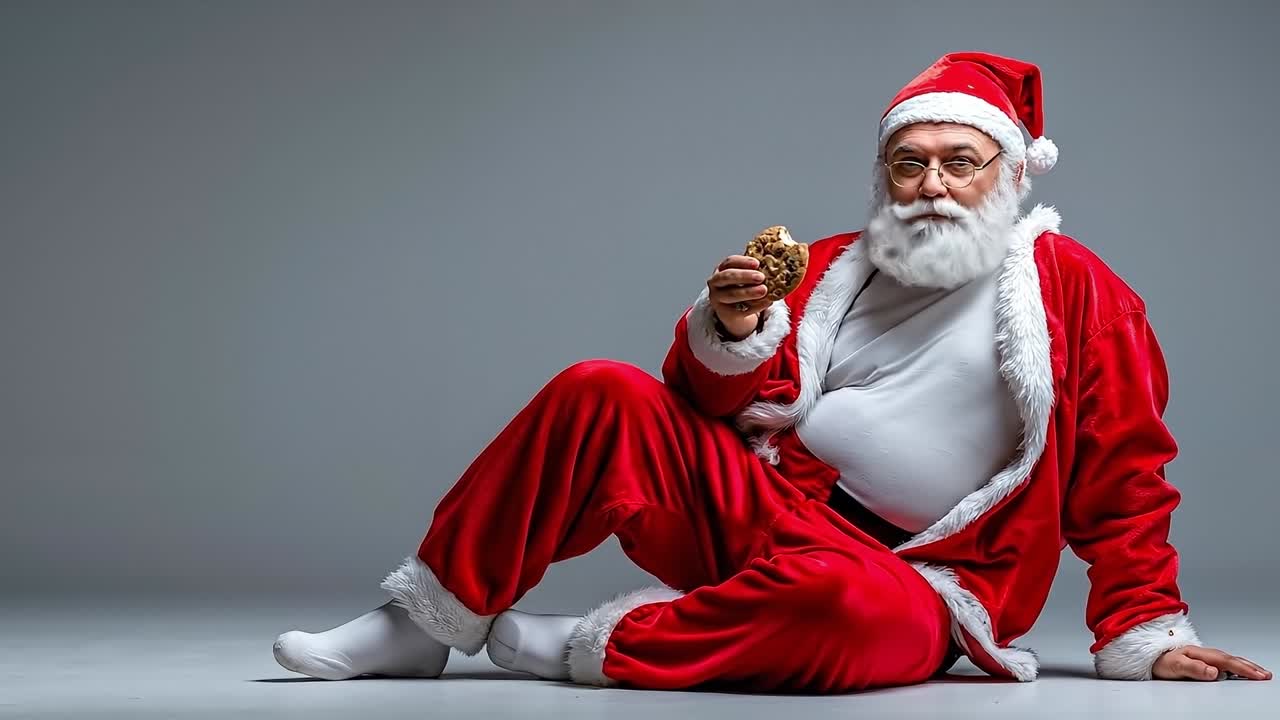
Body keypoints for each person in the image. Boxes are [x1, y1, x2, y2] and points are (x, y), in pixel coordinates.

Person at [271, 51, 1271, 691]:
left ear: (1009, 173)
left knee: (845, 613)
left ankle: (602, 646)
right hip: (761, 510)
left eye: (959, 162)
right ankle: (423, 620)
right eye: (909, 162)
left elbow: (1124, 472)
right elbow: (702, 404)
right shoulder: (832, 266)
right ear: (883, 176)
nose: (930, 184)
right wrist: (729, 324)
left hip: (921, 581)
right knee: (596, 388)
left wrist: (1144, 629)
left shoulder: (1077, 291)